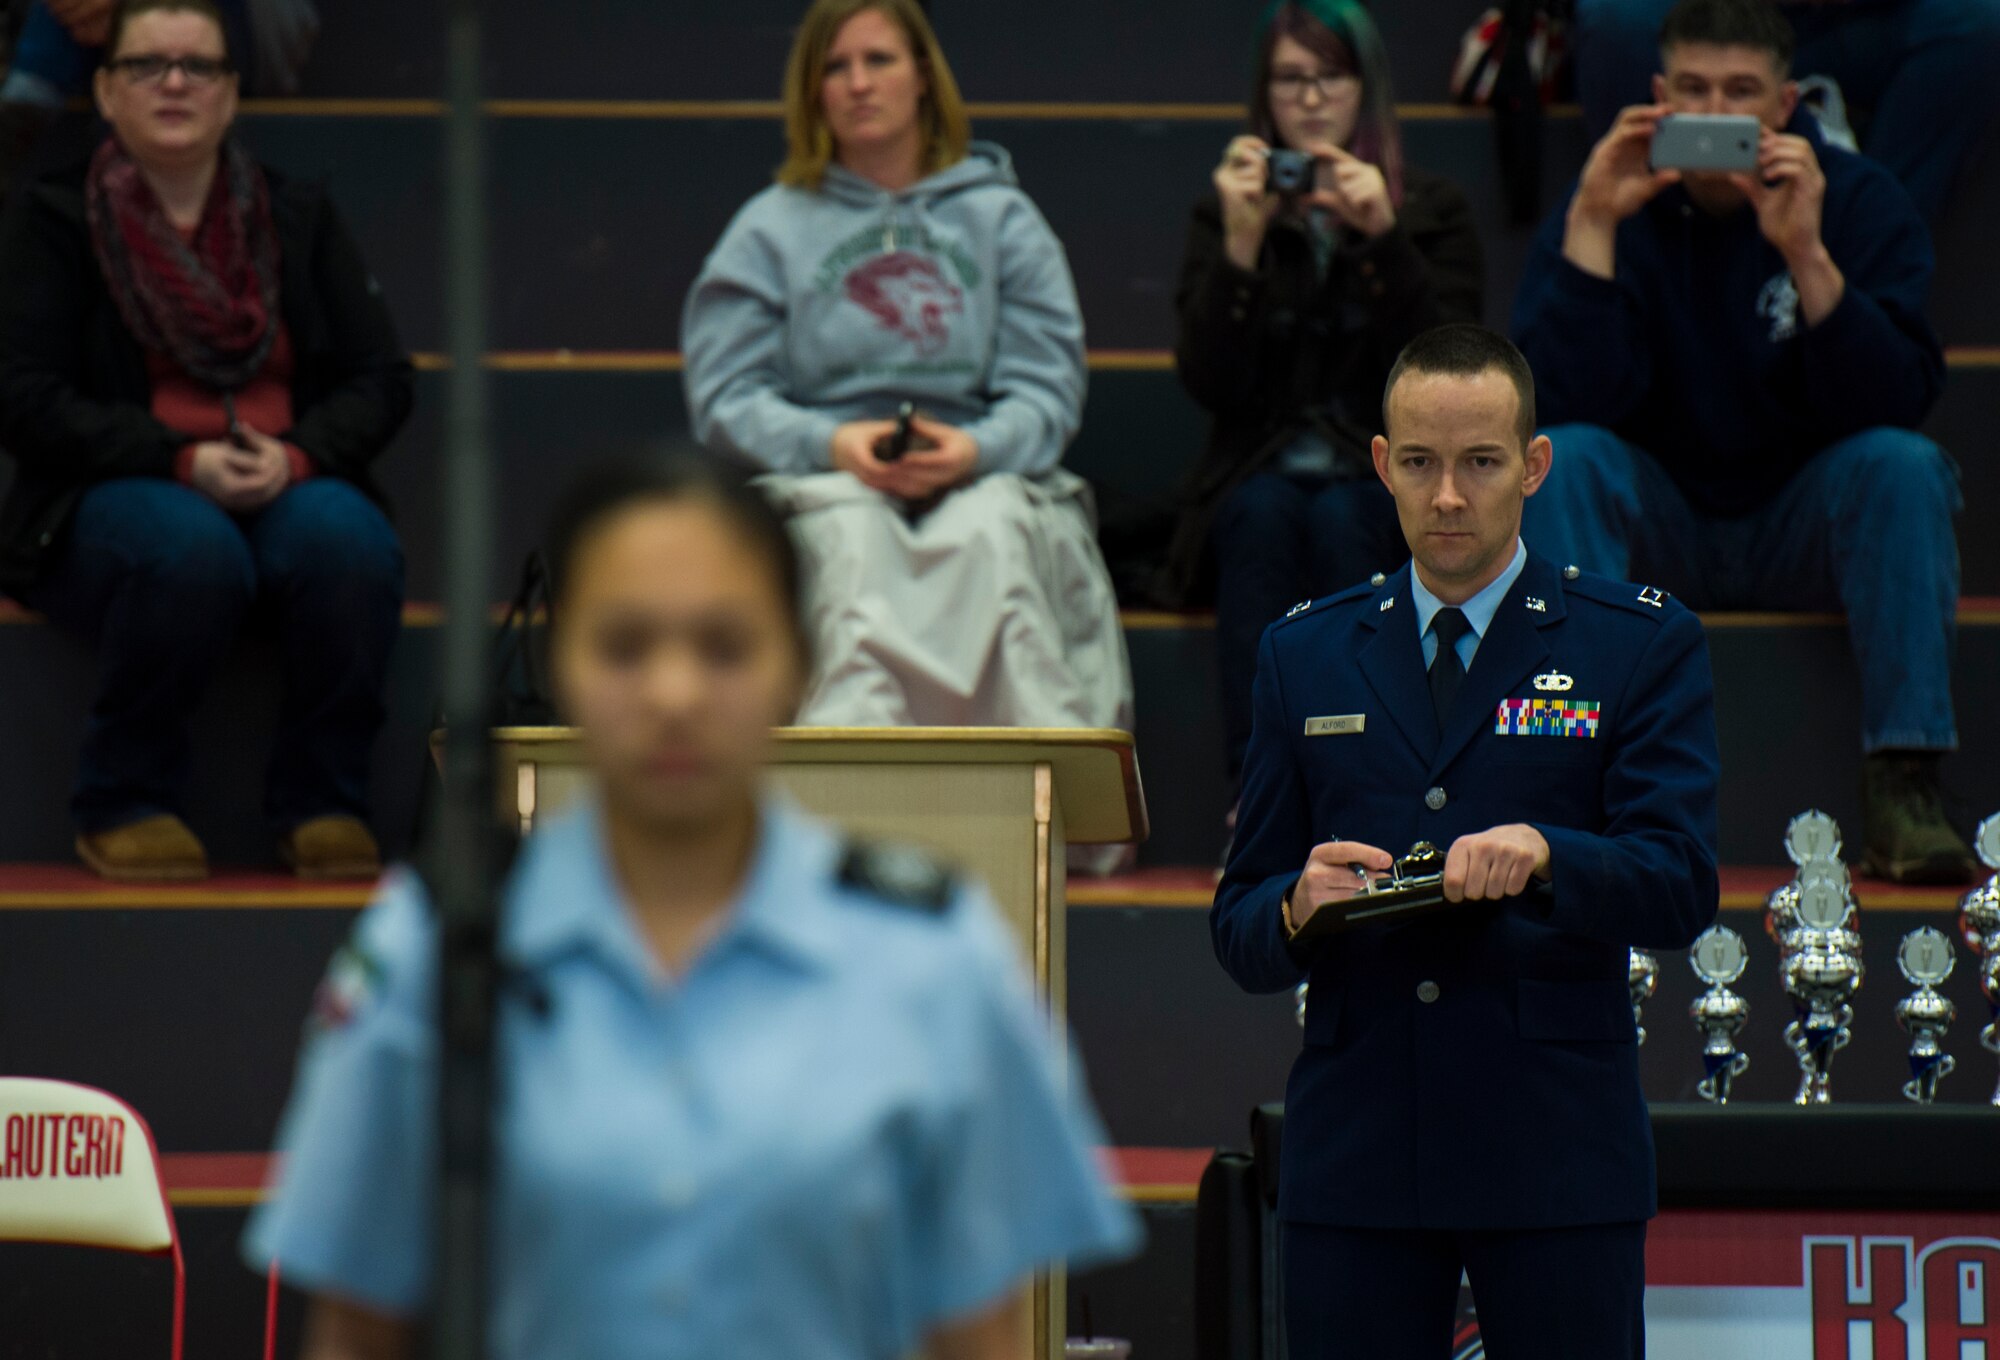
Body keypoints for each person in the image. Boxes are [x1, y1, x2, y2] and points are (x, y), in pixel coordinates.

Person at [244, 459, 1140, 1360]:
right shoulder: (433, 943)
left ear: (798, 659)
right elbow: (356, 1332)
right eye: (626, 645)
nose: (674, 695)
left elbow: (980, 1336)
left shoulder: (930, 950)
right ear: (561, 662)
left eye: (724, 646)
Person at [1212, 324, 1719, 1360]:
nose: (1447, 496)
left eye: (1480, 462)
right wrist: (1295, 905)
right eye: (1419, 462)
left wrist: (1548, 854)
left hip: (1552, 1150)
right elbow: (1238, 922)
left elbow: (1679, 882)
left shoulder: (1630, 642)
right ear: (1379, 465)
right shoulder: (1301, 653)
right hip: (1357, 1152)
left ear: (1532, 466)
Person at [1512, 0, 1971, 883]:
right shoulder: (1609, 199)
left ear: (1786, 104)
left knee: (1903, 470)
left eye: (1741, 92)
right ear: (1655, 96)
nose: (1716, 113)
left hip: (1801, 512)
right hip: (1658, 517)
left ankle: (1905, 786)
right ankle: (1567, 779)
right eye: (1693, 89)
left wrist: (1806, 253)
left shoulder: (1855, 196)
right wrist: (1593, 231)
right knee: (1563, 459)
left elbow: (1896, 400)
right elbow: (1558, 403)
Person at [0, 0, 409, 880]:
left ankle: (323, 801)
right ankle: (124, 798)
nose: (176, 82)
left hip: (281, 475)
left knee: (351, 544)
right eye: (148, 65)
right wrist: (174, 458)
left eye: (200, 67)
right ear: (106, 94)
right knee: (191, 551)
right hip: (112, 493)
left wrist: (296, 457)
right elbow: (25, 398)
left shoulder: (296, 216)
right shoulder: (54, 220)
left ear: (231, 95)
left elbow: (381, 379)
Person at [682, 0, 1132, 742]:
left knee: (990, 533)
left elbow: (1046, 389)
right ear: (813, 89)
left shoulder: (1003, 218)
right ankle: (843, 810)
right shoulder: (769, 227)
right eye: (836, 66)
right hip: (825, 475)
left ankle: (1020, 797)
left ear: (922, 76)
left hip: (980, 471)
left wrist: (974, 450)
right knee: (846, 540)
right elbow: (727, 395)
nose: (858, 83)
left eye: (878, 60)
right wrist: (834, 446)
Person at [1167, 0, 1484, 796]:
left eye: (1330, 78)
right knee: (1263, 516)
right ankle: (1257, 799)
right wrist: (1240, 248)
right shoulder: (1226, 210)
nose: (1310, 100)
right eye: (1289, 79)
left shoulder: (1429, 210)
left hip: (1380, 475)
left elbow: (1454, 377)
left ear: (1366, 87)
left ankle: (1359, 789)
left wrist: (1381, 239)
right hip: (1256, 475)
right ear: (1262, 94)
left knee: (1348, 517)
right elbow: (1210, 381)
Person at [1569, 0, 2000, 225]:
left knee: (1979, 22)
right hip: (1716, 22)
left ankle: (1870, 242)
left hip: (1860, 20)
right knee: (1613, 20)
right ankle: (1656, 239)